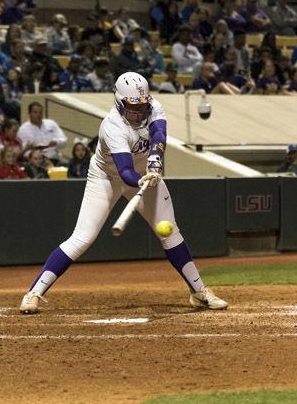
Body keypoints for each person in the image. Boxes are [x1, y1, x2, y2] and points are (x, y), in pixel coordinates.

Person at [19, 72, 228, 314]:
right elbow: (125, 171)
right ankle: (33, 293)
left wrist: (155, 159)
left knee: (170, 231)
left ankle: (199, 292)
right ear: (119, 103)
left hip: (143, 175)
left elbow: (159, 134)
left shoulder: (154, 107)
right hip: (106, 178)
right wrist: (142, 178)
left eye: (141, 106)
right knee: (82, 237)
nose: (138, 112)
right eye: (132, 107)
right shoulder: (112, 126)